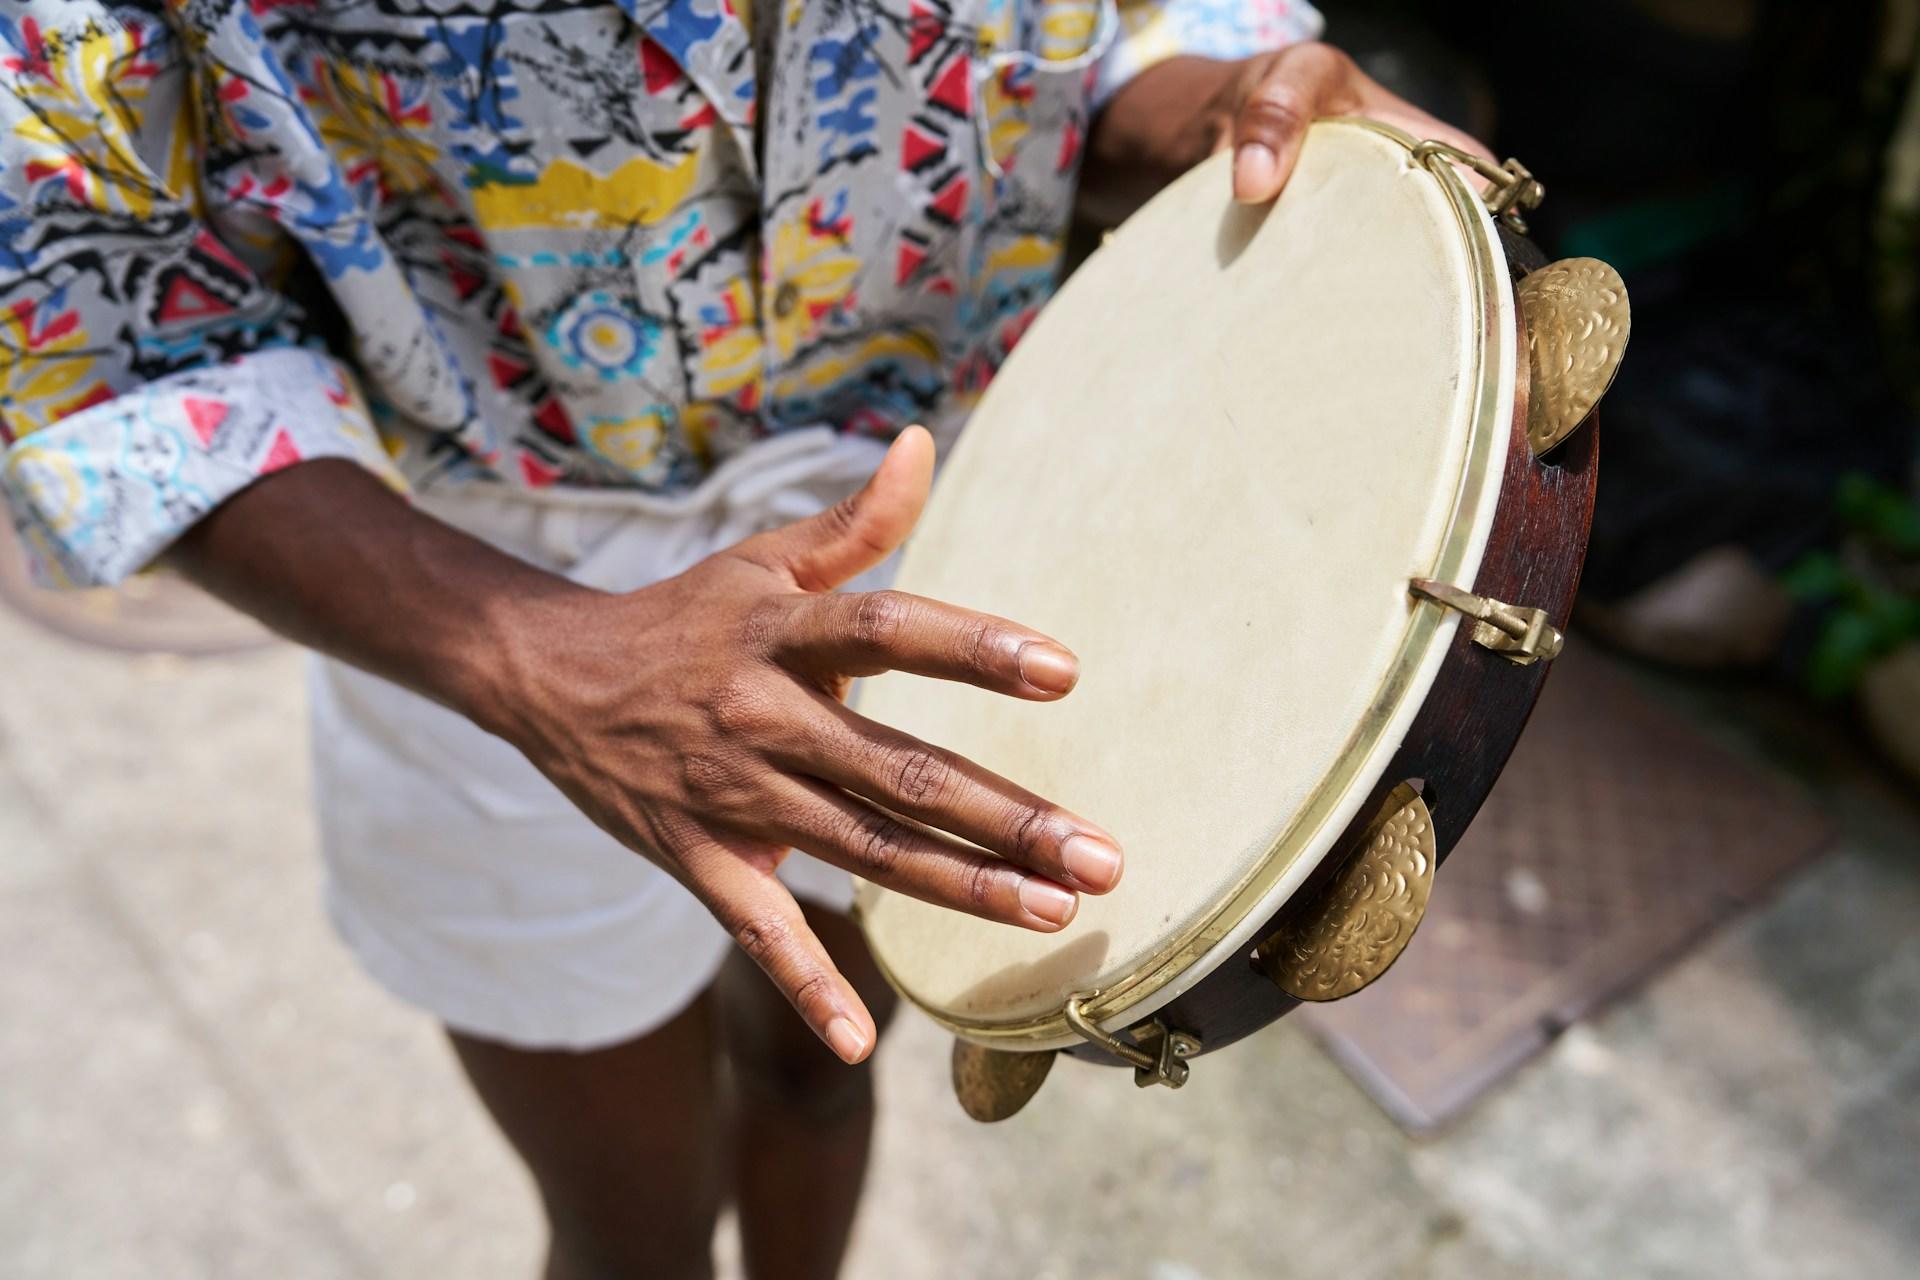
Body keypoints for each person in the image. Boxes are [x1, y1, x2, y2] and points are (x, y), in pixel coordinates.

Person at [0, 2, 1475, 1275]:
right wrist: (541, 664)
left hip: (942, 502)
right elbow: (97, 333)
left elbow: (1106, 37)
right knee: (631, 1237)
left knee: (823, 1076)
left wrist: (1188, 102)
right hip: (490, 581)